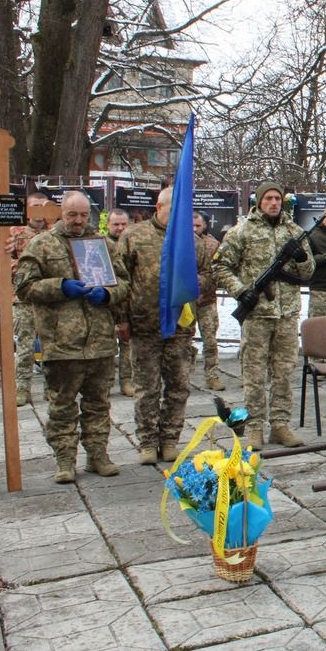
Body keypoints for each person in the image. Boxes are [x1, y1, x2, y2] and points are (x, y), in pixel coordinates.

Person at [16, 191, 131, 483]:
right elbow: (25, 287)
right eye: (72, 215)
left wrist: (106, 293)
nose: (78, 221)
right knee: (62, 405)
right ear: (61, 214)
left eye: (83, 215)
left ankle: (97, 455)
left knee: (98, 403)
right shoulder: (41, 245)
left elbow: (124, 284)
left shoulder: (102, 244)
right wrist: (60, 286)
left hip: (100, 342)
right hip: (61, 342)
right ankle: (65, 460)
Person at [213, 181, 315, 451]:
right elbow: (220, 266)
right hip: (257, 314)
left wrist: (302, 257)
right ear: (258, 202)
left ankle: (280, 425)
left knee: (284, 372)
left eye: (277, 198)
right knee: (254, 374)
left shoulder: (294, 231)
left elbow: (308, 273)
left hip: (286, 314)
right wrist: (240, 291)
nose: (273, 203)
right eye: (268, 198)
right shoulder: (242, 231)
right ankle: (255, 427)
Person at [118, 187, 210, 464]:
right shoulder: (133, 237)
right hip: (144, 325)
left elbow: (206, 274)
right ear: (159, 208)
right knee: (146, 387)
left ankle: (170, 438)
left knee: (178, 385)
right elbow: (120, 278)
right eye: (174, 211)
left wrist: (191, 287)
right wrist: (121, 318)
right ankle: (147, 441)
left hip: (179, 328)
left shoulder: (192, 242)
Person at [7, 192, 53, 405]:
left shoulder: (54, 233)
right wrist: (27, 267)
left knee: (50, 346)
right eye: (34, 207)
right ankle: (22, 388)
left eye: (42, 207)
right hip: (24, 299)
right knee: (25, 346)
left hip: (49, 298)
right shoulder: (15, 233)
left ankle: (51, 388)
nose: (38, 212)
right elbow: (5, 262)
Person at [193, 212, 225, 391]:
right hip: (185, 303)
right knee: (182, 342)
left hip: (207, 300)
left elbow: (218, 272)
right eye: (191, 225)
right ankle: (184, 374)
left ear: (205, 225)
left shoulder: (213, 245)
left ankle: (212, 375)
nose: (194, 229)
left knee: (210, 340)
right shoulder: (180, 242)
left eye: (198, 226)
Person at [104, 209, 134, 397]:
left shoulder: (133, 244)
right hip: (105, 303)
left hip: (128, 302)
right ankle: (106, 383)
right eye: (116, 224)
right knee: (107, 346)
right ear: (108, 225)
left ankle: (127, 381)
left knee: (127, 345)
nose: (120, 228)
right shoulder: (101, 245)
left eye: (124, 224)